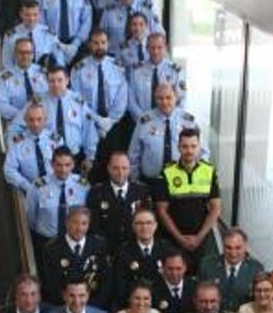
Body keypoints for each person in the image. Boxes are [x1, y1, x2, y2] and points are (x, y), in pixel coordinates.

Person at [153, 126, 219, 274]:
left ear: (199, 147)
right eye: (185, 146)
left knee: (202, 278)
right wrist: (179, 238)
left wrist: (199, 237)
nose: (189, 151)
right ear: (178, 147)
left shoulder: (209, 171)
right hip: (173, 239)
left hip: (202, 238)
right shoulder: (167, 173)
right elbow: (161, 211)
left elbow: (215, 208)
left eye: (193, 146)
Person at [7, 66, 99, 167]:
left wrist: (90, 157)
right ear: (46, 82)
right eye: (52, 81)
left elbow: (89, 130)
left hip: (75, 157)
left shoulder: (78, 102)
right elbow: (15, 127)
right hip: (49, 160)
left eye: (60, 80)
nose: (56, 84)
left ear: (67, 81)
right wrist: (15, 151)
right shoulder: (37, 102)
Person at [128, 83, 206, 184]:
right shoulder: (144, 121)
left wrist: (198, 177)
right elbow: (134, 154)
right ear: (155, 99)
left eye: (168, 97)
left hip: (181, 181)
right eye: (160, 98)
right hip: (151, 182)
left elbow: (203, 151)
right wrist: (136, 182)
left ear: (176, 98)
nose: (164, 102)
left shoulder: (188, 121)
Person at [40, 206, 112, 309]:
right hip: (63, 308)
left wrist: (92, 307)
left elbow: (106, 282)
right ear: (67, 223)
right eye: (75, 223)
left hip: (94, 307)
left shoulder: (99, 246)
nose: (79, 228)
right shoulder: (52, 249)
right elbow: (51, 286)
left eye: (84, 223)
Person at [26, 147, 91, 256]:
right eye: (59, 165)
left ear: (73, 165)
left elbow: (87, 213)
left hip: (74, 240)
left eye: (67, 165)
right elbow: (31, 216)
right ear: (52, 165)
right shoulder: (38, 187)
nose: (63, 170)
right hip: (46, 241)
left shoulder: (83, 185)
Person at [86, 151, 152, 254]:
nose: (120, 172)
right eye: (116, 168)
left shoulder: (141, 191)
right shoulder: (97, 192)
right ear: (108, 168)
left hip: (135, 250)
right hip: (106, 250)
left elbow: (148, 223)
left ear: (130, 169)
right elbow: (94, 226)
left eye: (124, 168)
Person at [70, 29, 128, 142]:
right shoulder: (79, 69)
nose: (100, 46)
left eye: (103, 42)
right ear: (89, 44)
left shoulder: (117, 67)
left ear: (108, 44)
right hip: (88, 123)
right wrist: (97, 119)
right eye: (96, 43)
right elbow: (77, 100)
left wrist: (110, 121)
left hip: (114, 125)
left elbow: (122, 97)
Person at [112, 209, 171, 310]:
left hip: (162, 305)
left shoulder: (167, 249)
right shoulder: (123, 252)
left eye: (149, 223)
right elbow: (121, 287)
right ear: (133, 227)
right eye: (139, 223)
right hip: (134, 307)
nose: (144, 227)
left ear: (156, 225)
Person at [198, 228, 264, 313]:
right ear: (222, 246)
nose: (233, 253)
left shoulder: (256, 268)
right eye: (228, 248)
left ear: (245, 246)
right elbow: (199, 297)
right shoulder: (207, 265)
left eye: (238, 248)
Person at [4, 103, 64, 193]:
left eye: (39, 119)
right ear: (25, 121)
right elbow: (9, 169)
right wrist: (28, 187)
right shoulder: (17, 143)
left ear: (45, 120)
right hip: (29, 190)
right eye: (31, 120)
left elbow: (64, 165)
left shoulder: (56, 141)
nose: (35, 124)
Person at [127, 33, 186, 122]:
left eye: (159, 47)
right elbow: (131, 100)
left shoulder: (175, 71)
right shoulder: (136, 71)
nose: (155, 51)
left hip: (169, 121)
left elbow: (181, 99)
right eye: (152, 48)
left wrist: (169, 118)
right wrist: (144, 119)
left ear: (165, 48)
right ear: (146, 49)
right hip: (142, 121)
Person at [98, 0, 162, 55]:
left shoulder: (147, 11)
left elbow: (159, 35)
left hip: (142, 58)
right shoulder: (108, 13)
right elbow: (100, 37)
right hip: (115, 58)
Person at [2, 0, 65, 69]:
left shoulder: (49, 35)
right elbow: (7, 63)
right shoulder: (11, 36)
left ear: (40, 14)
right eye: (27, 15)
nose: (32, 19)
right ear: (21, 14)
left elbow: (59, 62)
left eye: (35, 15)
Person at [0, 38, 49, 122]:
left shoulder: (43, 73)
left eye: (29, 52)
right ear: (15, 54)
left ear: (33, 54)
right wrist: (24, 116)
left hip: (43, 121)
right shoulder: (5, 78)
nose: (25, 56)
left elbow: (51, 98)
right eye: (21, 52)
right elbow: (2, 105)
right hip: (17, 123)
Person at [152, 248, 197, 313]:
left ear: (185, 268)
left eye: (178, 268)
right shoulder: (153, 290)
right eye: (170, 269)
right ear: (163, 268)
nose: (174, 273)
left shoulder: (195, 287)